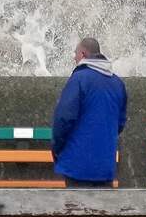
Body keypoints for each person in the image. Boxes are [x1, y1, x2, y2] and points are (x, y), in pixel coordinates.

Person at [51, 37, 128, 187]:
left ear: (83, 54)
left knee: (76, 208)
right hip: (105, 167)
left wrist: (57, 149)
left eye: (76, 53)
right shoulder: (118, 84)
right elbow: (120, 123)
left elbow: (63, 119)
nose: (74, 58)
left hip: (77, 166)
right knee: (101, 209)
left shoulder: (78, 79)